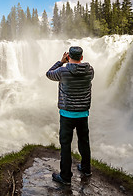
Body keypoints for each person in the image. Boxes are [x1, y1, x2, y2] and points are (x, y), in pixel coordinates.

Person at [46, 46, 94, 186]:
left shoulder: (62, 71)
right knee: (84, 141)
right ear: (82, 57)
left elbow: (49, 73)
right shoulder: (90, 70)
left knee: (65, 145)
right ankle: (86, 169)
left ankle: (65, 177)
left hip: (67, 114)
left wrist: (61, 62)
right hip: (83, 113)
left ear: (68, 57)